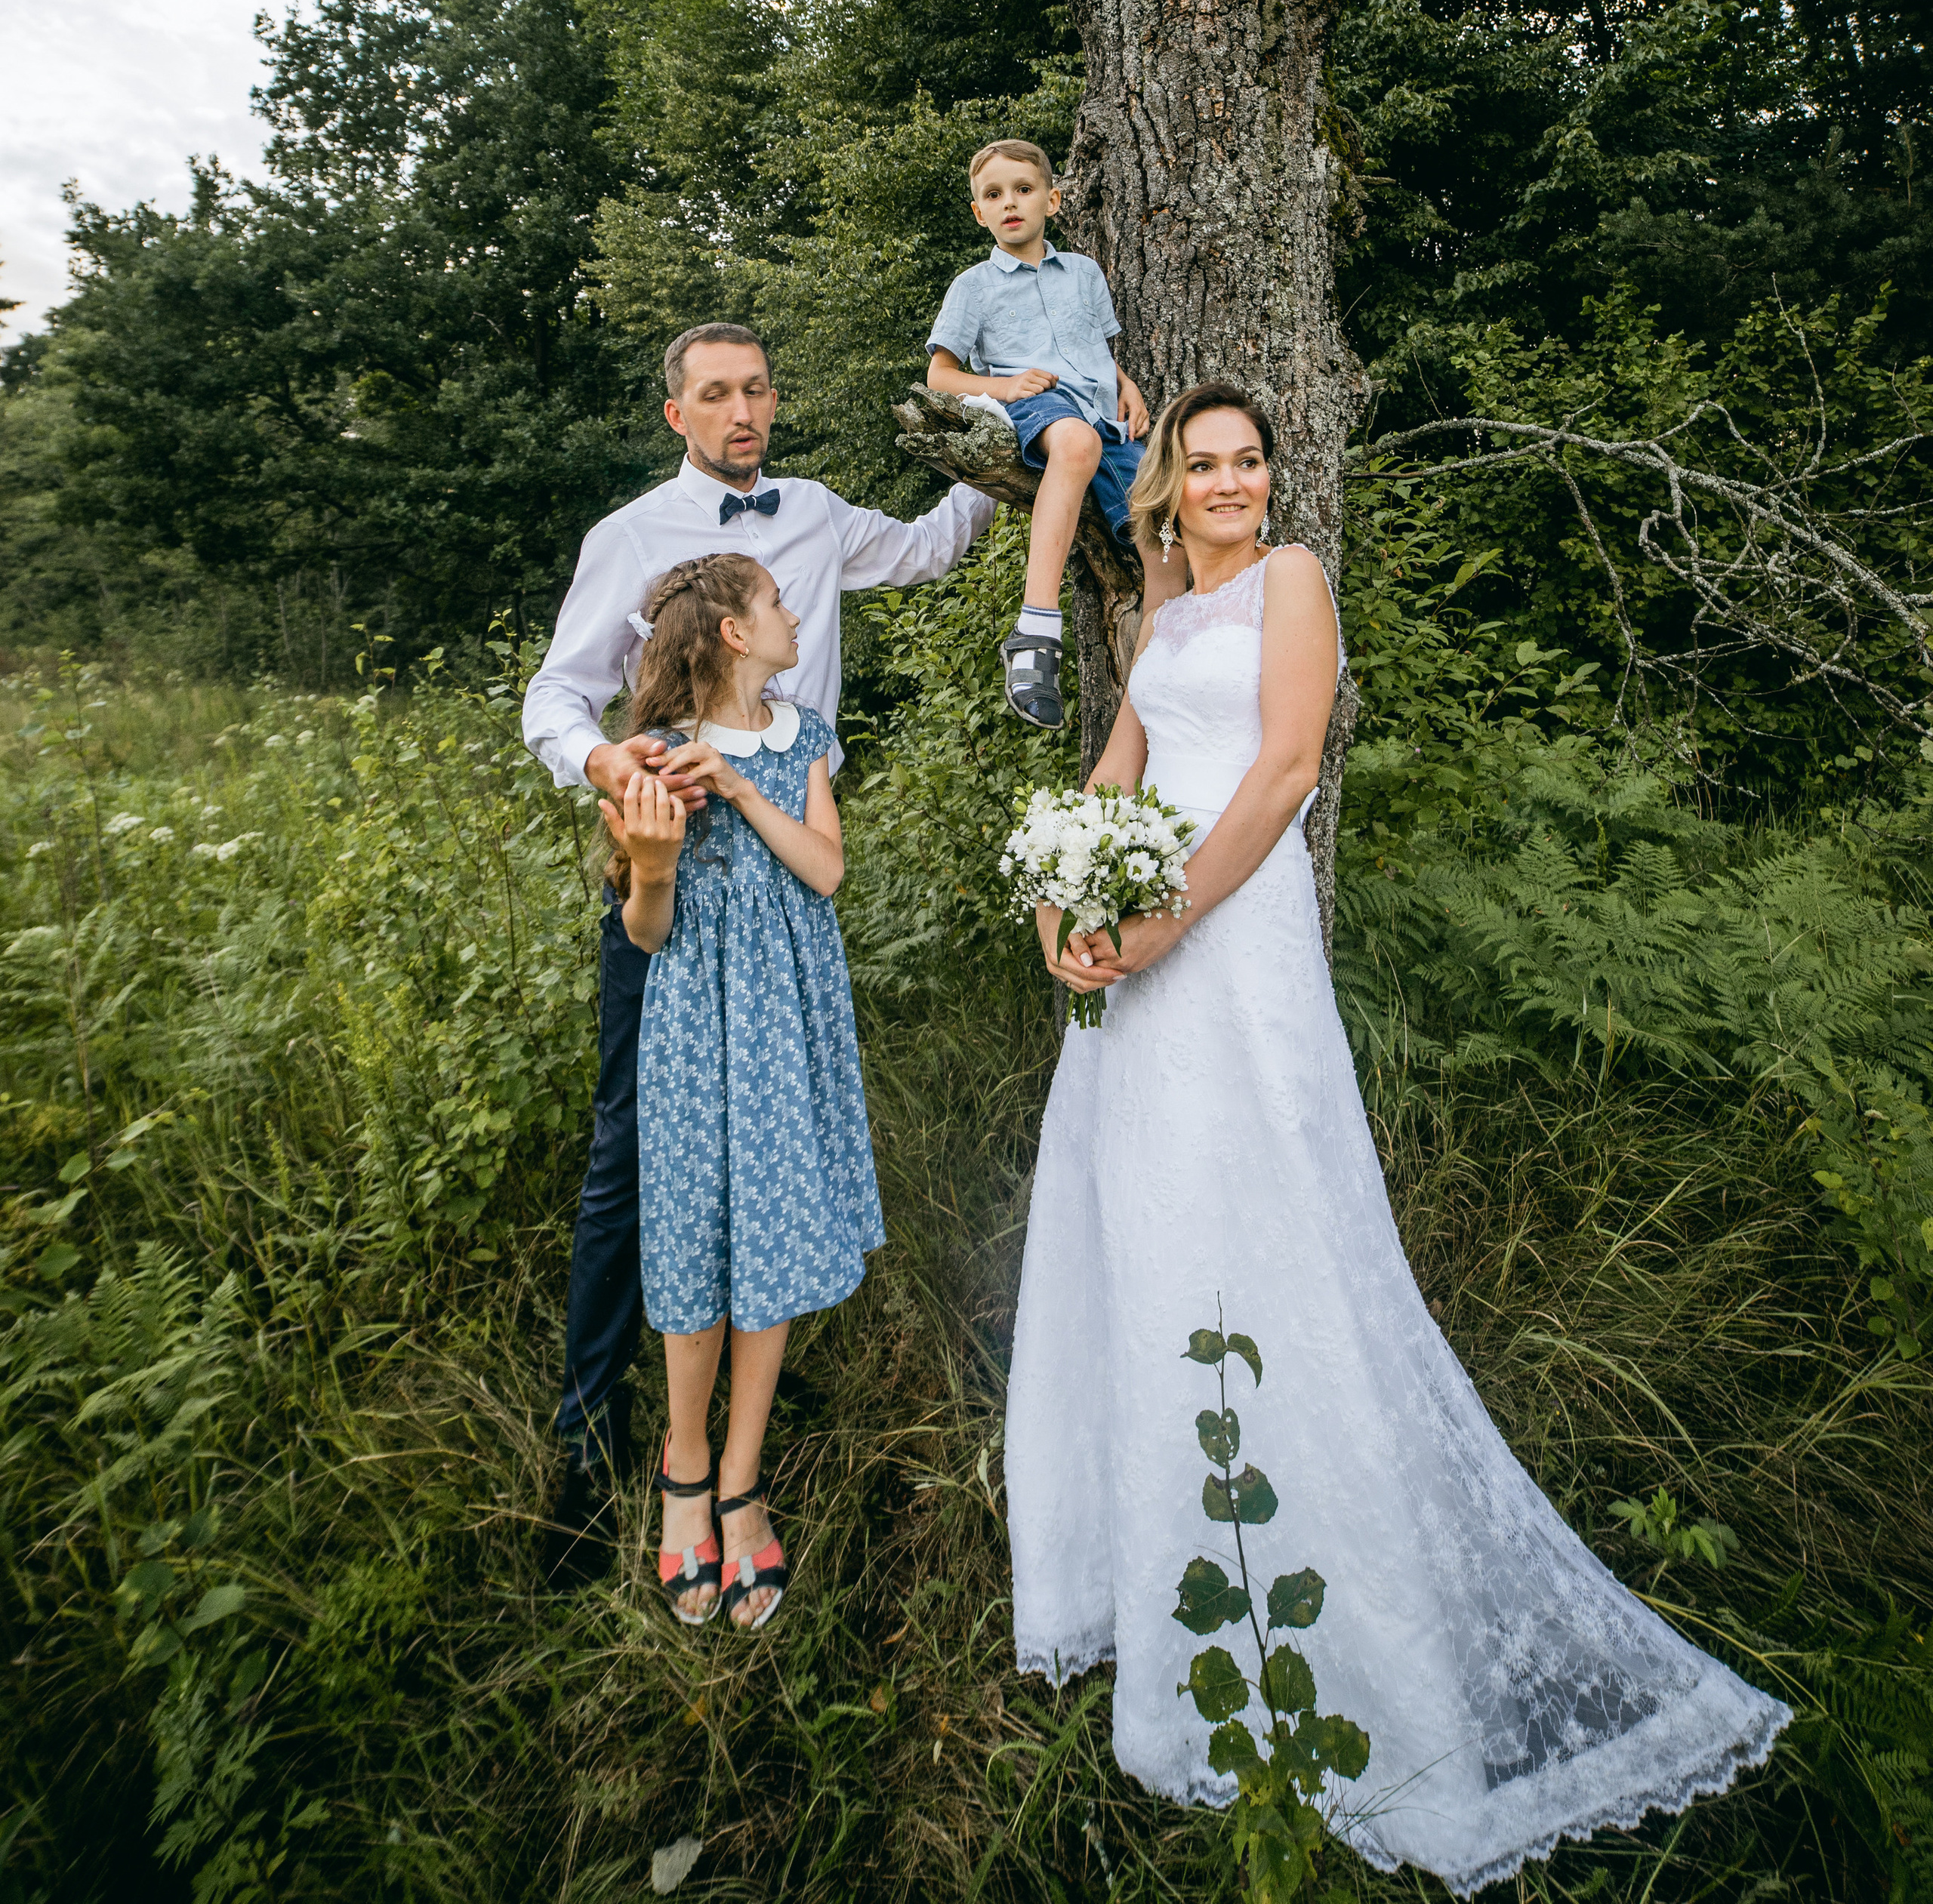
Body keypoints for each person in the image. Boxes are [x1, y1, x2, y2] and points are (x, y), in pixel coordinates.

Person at [1003, 384, 1789, 1893]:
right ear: (1167, 485)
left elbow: (1282, 773)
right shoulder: (1161, 610)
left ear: (1270, 479)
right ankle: (1178, 1601)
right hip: (1139, 957)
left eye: (1250, 462)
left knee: (1272, 1235)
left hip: (1231, 944)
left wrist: (1162, 922)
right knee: (1156, 1237)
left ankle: (1354, 1634)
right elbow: (1119, 765)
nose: (1230, 483)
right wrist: (1062, 895)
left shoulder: (1290, 583)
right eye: (1204, 463)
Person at [524, 321, 991, 1581]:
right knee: (630, 1155)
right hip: (669, 873)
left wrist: (1020, 433)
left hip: (786, 892)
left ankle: (743, 1450)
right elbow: (554, 697)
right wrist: (611, 765)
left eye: (759, 389)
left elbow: (935, 543)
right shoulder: (630, 536)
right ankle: (591, 1444)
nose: (744, 411)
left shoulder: (820, 515)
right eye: (717, 393)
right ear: (676, 413)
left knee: (775, 1143)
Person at [599, 550, 877, 1630]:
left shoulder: (803, 738)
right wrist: (654, 861)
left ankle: (740, 1479)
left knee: (771, 1237)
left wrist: (745, 789)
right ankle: (684, 1467)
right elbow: (645, 931)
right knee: (693, 1242)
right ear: (731, 632)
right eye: (777, 603)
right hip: (696, 1031)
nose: (794, 616)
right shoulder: (657, 756)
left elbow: (827, 870)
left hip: (790, 1028)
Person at [924, 140, 1173, 732]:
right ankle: (1035, 630)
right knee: (1077, 444)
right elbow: (939, 376)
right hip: (1035, 402)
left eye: (1023, 189)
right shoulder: (973, 286)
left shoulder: (1085, 274)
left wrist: (1127, 386)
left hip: (1101, 411)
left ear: (1052, 201)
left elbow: (1094, 350)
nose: (1009, 203)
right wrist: (1005, 386)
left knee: (1163, 531)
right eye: (993, 195)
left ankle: (1168, 663)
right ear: (978, 213)